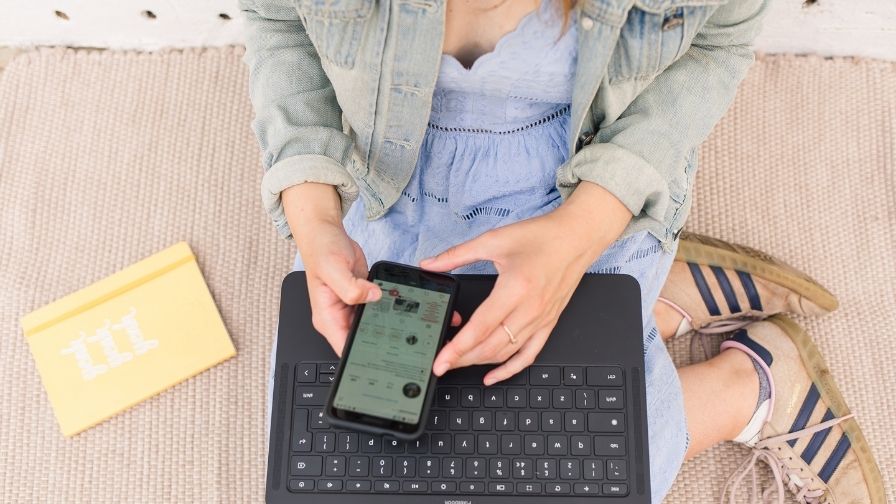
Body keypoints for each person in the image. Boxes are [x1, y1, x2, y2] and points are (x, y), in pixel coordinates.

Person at [241, 0, 884, 501]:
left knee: (584, 472)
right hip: (382, 179)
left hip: (593, 175)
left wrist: (582, 233)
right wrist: (314, 213)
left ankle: (753, 384)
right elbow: (277, 20)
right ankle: (651, 308)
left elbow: (715, 44)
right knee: (338, 473)